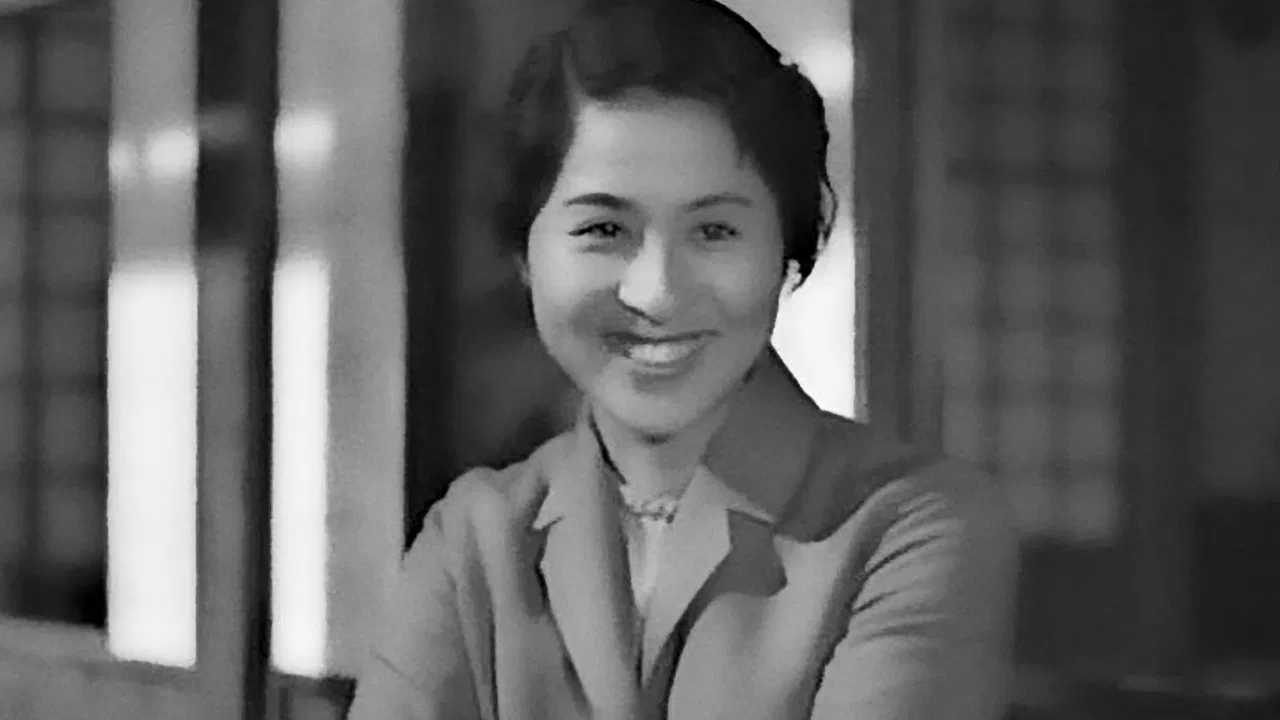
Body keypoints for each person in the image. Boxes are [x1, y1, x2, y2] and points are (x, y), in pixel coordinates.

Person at [348, 0, 1017, 717]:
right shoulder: (475, 536)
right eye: (605, 229)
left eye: (714, 231)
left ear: (786, 253)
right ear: (524, 252)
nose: (658, 293)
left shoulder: (907, 525)